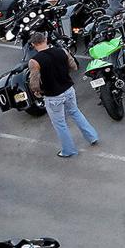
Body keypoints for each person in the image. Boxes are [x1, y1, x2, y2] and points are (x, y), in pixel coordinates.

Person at [28, 30, 99, 158]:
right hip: (68, 89)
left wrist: (37, 92)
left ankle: (69, 150)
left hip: (53, 96)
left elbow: (34, 83)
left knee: (60, 123)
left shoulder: (34, 61)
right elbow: (74, 66)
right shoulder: (62, 51)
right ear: (45, 40)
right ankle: (92, 136)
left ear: (33, 44)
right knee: (76, 112)